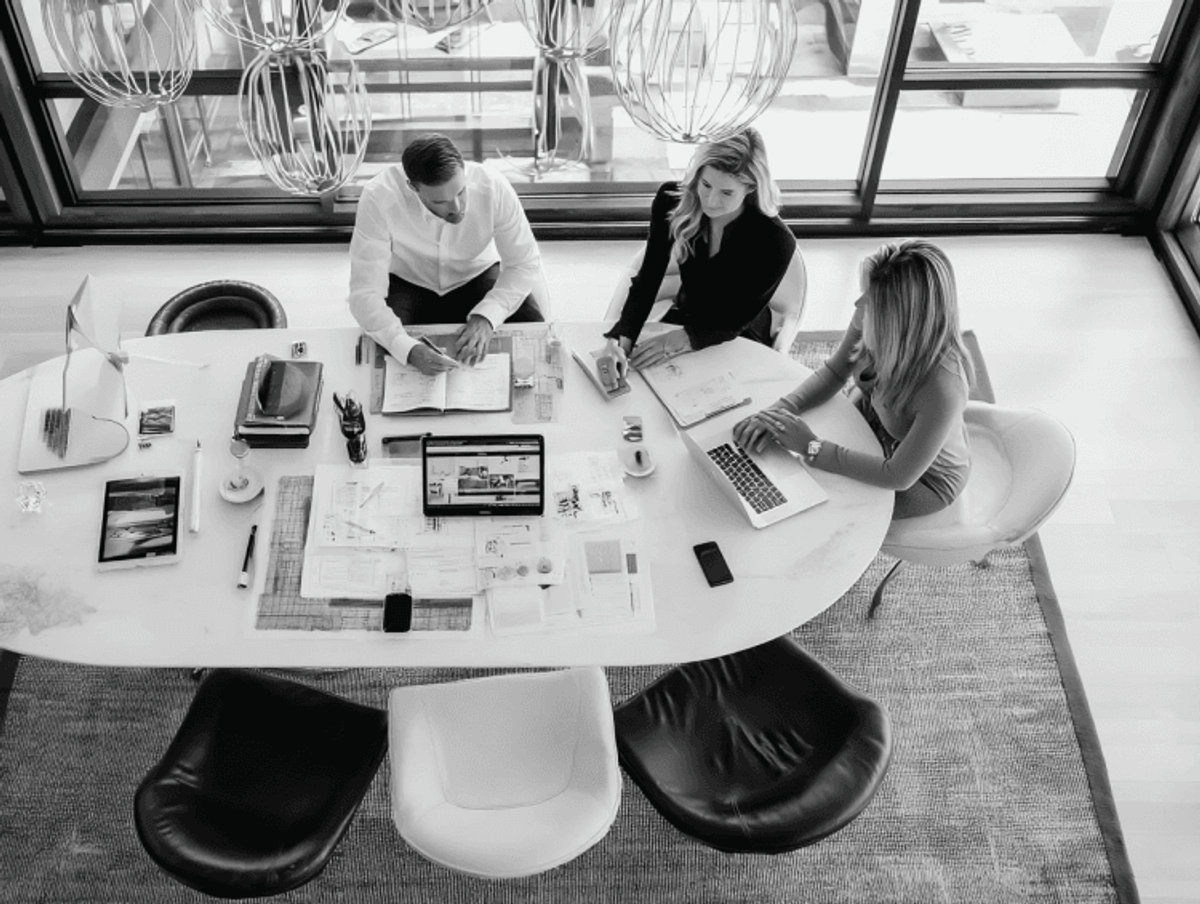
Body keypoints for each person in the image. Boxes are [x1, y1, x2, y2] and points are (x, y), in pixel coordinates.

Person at [732, 239, 975, 519]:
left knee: (823, 507)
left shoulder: (943, 389)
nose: (858, 303)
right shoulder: (870, 315)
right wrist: (778, 411)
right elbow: (836, 372)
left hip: (925, 480)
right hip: (881, 424)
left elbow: (897, 476)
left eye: (870, 298)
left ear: (901, 318)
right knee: (798, 477)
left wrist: (811, 446)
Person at [599, 127, 797, 387]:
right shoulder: (672, 201)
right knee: (646, 386)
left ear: (750, 188)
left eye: (727, 193)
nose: (711, 200)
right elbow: (648, 279)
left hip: (736, 330)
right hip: (688, 314)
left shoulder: (776, 241)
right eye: (705, 185)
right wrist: (621, 341)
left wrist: (680, 340)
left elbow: (735, 320)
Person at [347, 133, 546, 375]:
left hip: (477, 273)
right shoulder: (378, 197)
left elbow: (523, 264)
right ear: (413, 188)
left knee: (535, 335)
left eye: (461, 192)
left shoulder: (494, 186)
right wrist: (407, 349)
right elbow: (365, 292)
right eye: (440, 201)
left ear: (464, 169)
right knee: (384, 354)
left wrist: (487, 317)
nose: (457, 208)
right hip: (410, 281)